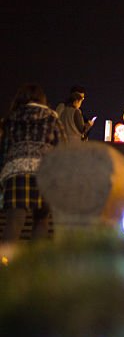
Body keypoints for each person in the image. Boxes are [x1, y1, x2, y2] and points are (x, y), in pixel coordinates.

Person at [0, 83, 65, 241]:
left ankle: (6, 263)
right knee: (41, 220)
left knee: (14, 222)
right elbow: (62, 149)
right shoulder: (52, 117)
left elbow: (4, 150)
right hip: (44, 172)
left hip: (15, 173)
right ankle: (36, 263)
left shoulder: (10, 119)